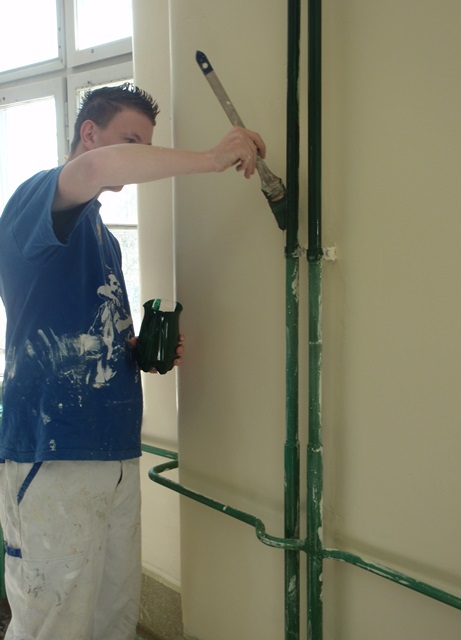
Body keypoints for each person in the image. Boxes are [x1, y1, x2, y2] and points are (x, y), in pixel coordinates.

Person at [0, 83, 266, 640]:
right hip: (54, 448)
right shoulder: (35, 199)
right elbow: (97, 169)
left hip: (113, 447)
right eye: (131, 140)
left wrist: (137, 350)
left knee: (112, 613)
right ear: (89, 134)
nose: (139, 153)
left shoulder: (102, 237)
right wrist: (212, 158)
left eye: (145, 143)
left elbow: (86, 331)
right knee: (54, 621)